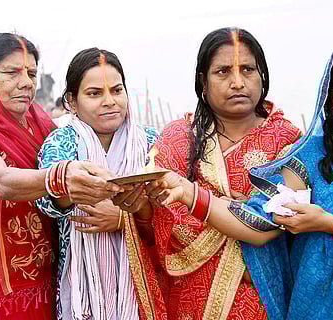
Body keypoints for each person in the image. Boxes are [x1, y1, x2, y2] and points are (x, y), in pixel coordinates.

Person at [148, 37, 333, 319]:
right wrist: (189, 193)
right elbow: (263, 224)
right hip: (319, 311)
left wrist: (331, 225)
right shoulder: (309, 158)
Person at [124, 27, 301, 320]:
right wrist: (140, 208)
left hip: (259, 300)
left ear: (263, 77)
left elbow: (275, 221)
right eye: (223, 72)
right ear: (203, 83)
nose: (237, 82)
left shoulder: (287, 140)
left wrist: (198, 198)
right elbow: (162, 219)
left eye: (247, 70)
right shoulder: (179, 138)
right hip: (188, 300)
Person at [0, 33, 123, 320]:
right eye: (11, 72)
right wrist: (60, 178)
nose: (26, 82)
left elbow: (93, 140)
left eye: (31, 73)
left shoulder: (43, 129)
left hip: (45, 296)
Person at [35, 48, 167, 320]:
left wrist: (123, 220)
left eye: (117, 91)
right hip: (81, 288)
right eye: (95, 94)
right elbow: (45, 203)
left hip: (145, 283)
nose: (110, 101)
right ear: (72, 100)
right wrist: (71, 187)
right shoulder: (61, 142)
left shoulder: (153, 144)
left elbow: (172, 213)